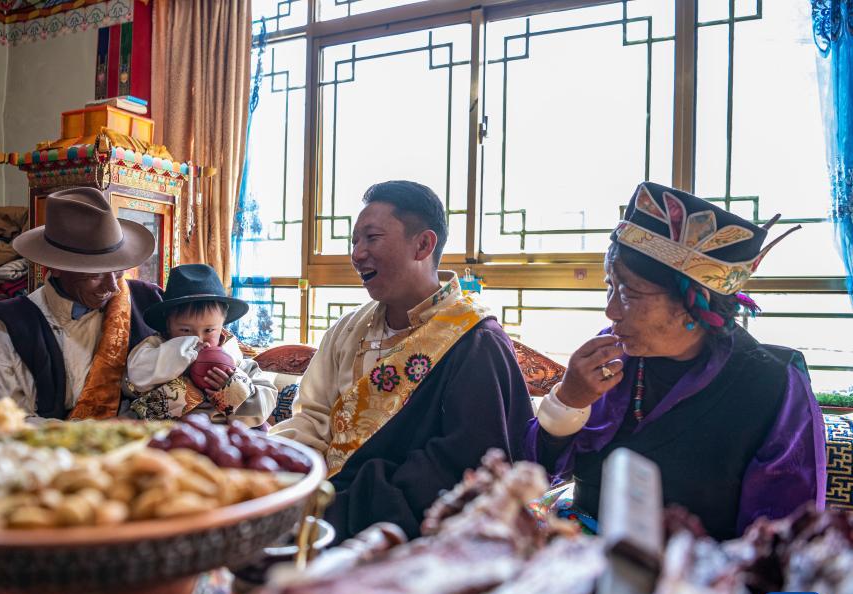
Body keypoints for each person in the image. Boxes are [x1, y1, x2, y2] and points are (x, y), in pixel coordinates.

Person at [523, 181, 825, 540]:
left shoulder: (772, 388)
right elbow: (532, 477)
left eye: (630, 293)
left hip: (699, 573)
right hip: (580, 562)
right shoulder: (612, 358)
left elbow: (783, 541)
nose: (611, 310)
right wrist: (567, 403)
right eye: (610, 286)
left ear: (694, 301)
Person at [271, 180, 534, 542]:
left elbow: (465, 468)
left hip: (405, 532)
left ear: (423, 245)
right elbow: (312, 419)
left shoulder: (476, 341)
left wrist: (349, 505)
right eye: (354, 241)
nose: (357, 254)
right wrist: (276, 469)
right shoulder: (347, 331)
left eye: (372, 238)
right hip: (321, 507)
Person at [0, 187, 163, 418]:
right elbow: (8, 422)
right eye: (95, 275)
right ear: (56, 267)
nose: (113, 287)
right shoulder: (16, 327)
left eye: (119, 271)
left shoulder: (147, 302)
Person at [125, 263, 278, 426]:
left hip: (225, 431)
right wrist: (179, 354)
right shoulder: (154, 349)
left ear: (222, 325)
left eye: (209, 330)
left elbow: (266, 399)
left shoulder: (234, 357)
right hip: (169, 431)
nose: (199, 339)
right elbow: (132, 381)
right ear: (168, 325)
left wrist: (234, 389)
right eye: (185, 330)